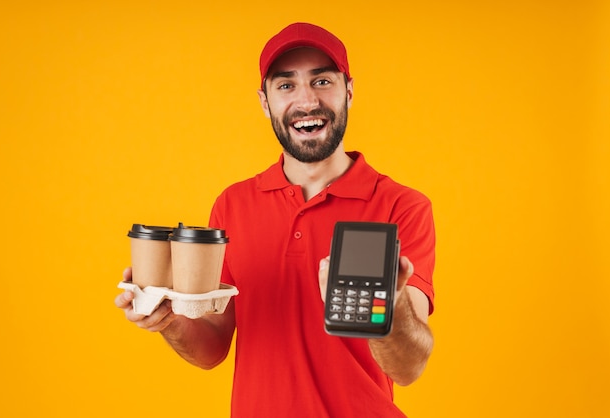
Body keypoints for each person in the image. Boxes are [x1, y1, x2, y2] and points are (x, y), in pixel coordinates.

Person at [115, 22, 436, 418]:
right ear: (265, 102)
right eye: (286, 85)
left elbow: (408, 368)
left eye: (322, 81)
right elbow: (212, 348)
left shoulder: (401, 206)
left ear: (348, 92)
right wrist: (168, 322)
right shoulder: (233, 205)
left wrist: (392, 303)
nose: (306, 101)